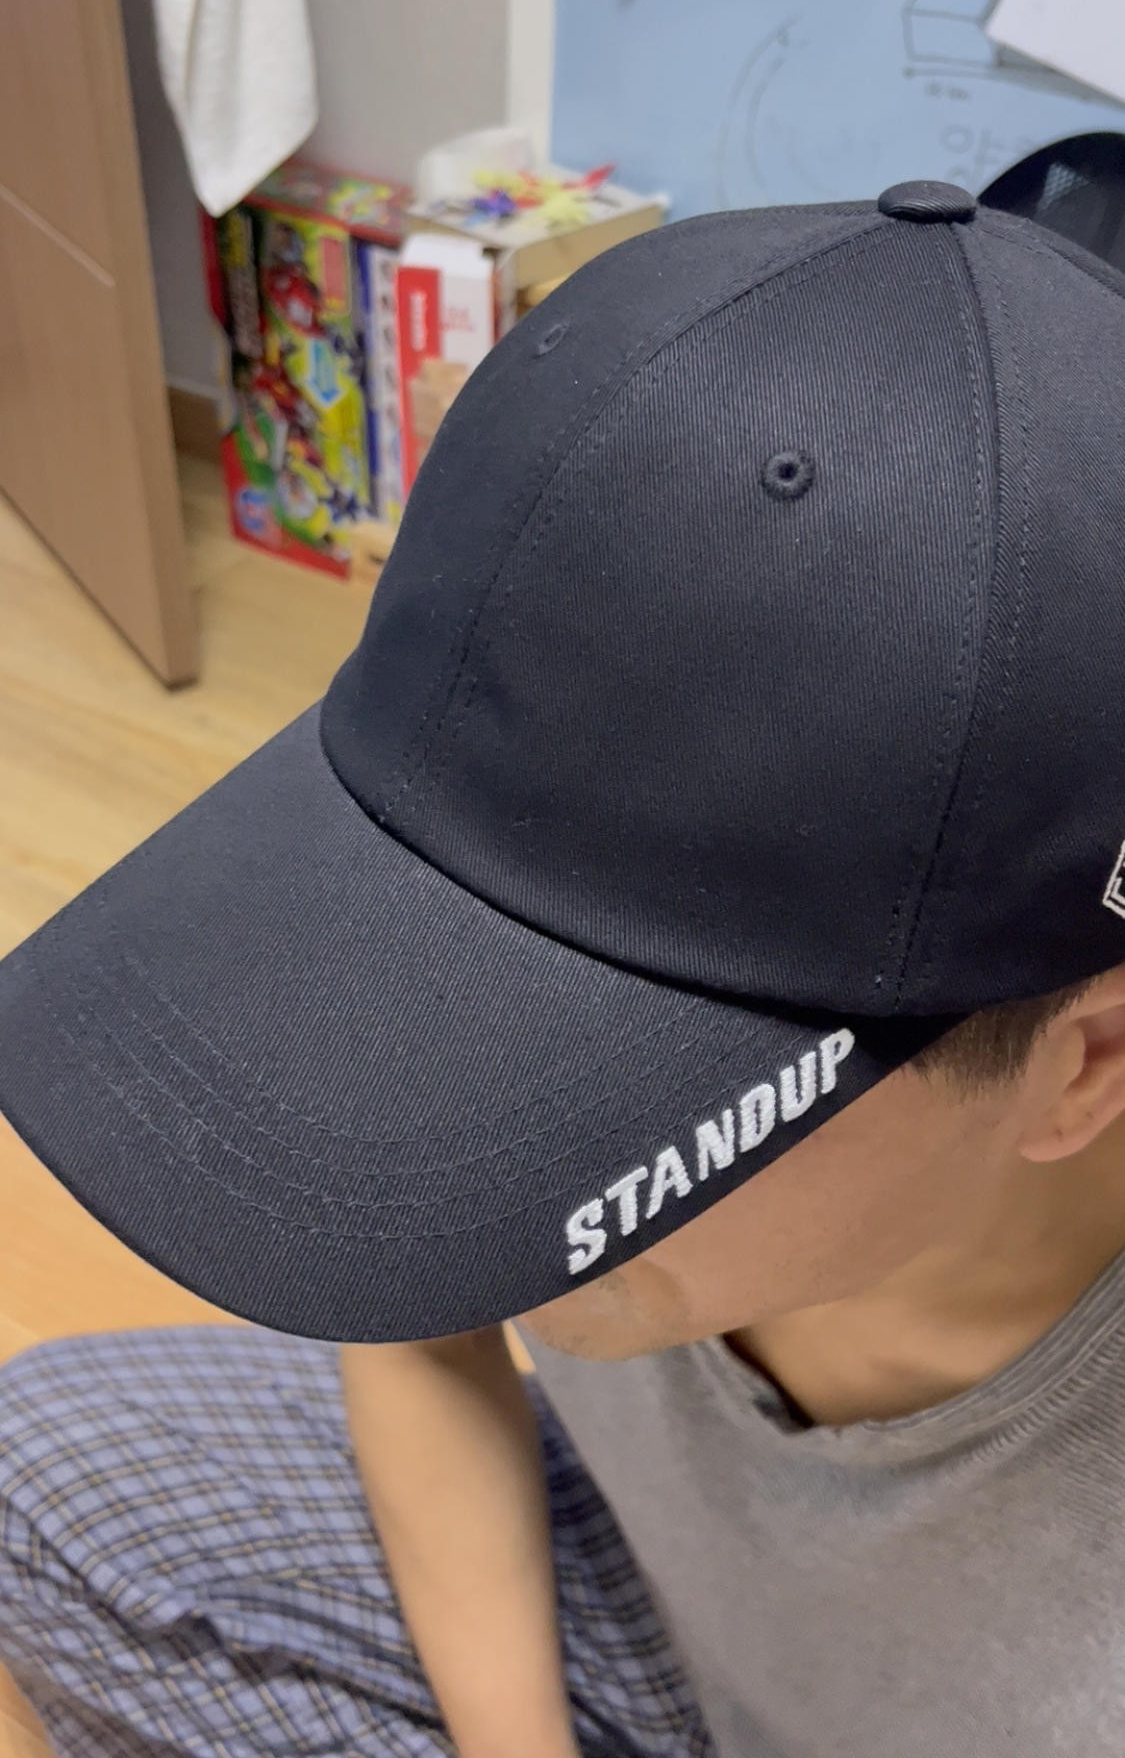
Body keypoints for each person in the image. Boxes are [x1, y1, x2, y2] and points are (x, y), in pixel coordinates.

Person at [1, 180, 1124, 1757]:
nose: (447, 1128)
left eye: (606, 1069)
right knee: (53, 1487)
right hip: (653, 1604)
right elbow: (414, 1299)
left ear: (1083, 1067)